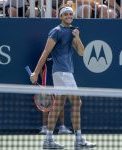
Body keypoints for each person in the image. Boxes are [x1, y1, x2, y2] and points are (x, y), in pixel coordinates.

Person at [30, 6, 96, 149]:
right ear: (61, 17)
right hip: (62, 73)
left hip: (63, 73)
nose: (68, 16)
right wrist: (35, 72)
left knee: (58, 105)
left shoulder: (72, 32)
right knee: (77, 103)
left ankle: (48, 140)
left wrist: (77, 37)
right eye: (65, 14)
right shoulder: (56, 31)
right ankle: (79, 139)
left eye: (70, 14)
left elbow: (82, 52)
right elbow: (46, 52)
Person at [39, 56, 72, 135]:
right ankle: (44, 127)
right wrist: (43, 78)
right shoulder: (46, 53)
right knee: (46, 104)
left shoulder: (60, 54)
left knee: (60, 104)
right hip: (47, 81)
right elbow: (40, 67)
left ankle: (62, 127)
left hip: (58, 81)